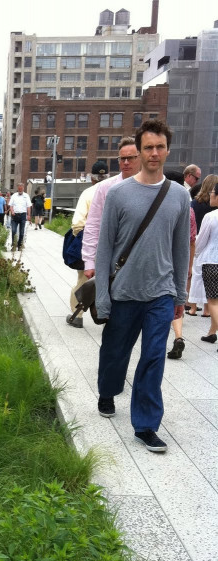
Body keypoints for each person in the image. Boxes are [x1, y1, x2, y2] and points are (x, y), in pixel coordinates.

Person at [95, 119, 190, 453]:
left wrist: (180, 294)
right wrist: (102, 296)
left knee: (153, 357)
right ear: (139, 151)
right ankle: (108, 391)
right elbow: (105, 247)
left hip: (161, 293)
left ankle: (146, 425)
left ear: (167, 150)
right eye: (148, 147)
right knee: (115, 351)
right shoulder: (118, 194)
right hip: (123, 291)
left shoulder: (179, 196)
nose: (154, 153)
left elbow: (181, 249)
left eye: (159, 147)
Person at [81, 137, 141, 278]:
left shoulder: (151, 187)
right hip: (112, 259)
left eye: (130, 158)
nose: (126, 162)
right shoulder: (105, 188)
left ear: (140, 158)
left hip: (142, 259)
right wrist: (89, 261)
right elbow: (93, 224)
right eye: (122, 158)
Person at [66, 160, 109, 328]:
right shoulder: (117, 190)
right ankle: (109, 317)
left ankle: (77, 315)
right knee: (112, 281)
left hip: (91, 245)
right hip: (114, 246)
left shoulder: (88, 193)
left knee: (83, 280)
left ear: (92, 178)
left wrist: (83, 240)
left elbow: (77, 223)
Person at [164, 170, 197, 359]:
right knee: (177, 301)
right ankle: (178, 336)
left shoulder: (164, 205)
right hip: (179, 263)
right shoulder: (189, 210)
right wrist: (189, 266)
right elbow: (191, 242)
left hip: (161, 263)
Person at [195, 183, 218, 346]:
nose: (210, 195)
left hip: (212, 262)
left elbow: (201, 241)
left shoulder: (211, 217)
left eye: (212, 192)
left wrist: (194, 254)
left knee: (213, 301)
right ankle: (211, 332)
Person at [8, 183, 32, 251]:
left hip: (23, 215)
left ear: (23, 188)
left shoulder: (26, 196)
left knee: (22, 232)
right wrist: (12, 211)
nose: (20, 190)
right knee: (13, 231)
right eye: (19, 189)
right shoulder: (14, 196)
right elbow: (11, 205)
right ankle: (14, 245)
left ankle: (20, 245)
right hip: (15, 215)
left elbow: (28, 206)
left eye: (21, 189)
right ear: (17, 188)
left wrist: (29, 215)